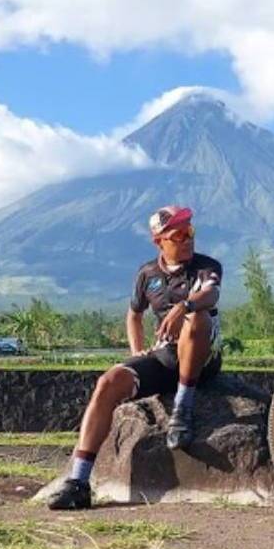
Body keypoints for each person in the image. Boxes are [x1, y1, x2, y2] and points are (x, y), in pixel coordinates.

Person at [47, 205, 223, 510]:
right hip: (164, 356)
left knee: (198, 318)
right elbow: (134, 314)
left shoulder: (206, 266)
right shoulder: (147, 274)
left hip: (200, 357)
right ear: (159, 241)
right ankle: (78, 482)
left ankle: (182, 408)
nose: (187, 240)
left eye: (190, 232)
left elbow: (211, 295)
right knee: (108, 382)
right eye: (179, 235)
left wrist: (186, 306)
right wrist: (136, 351)